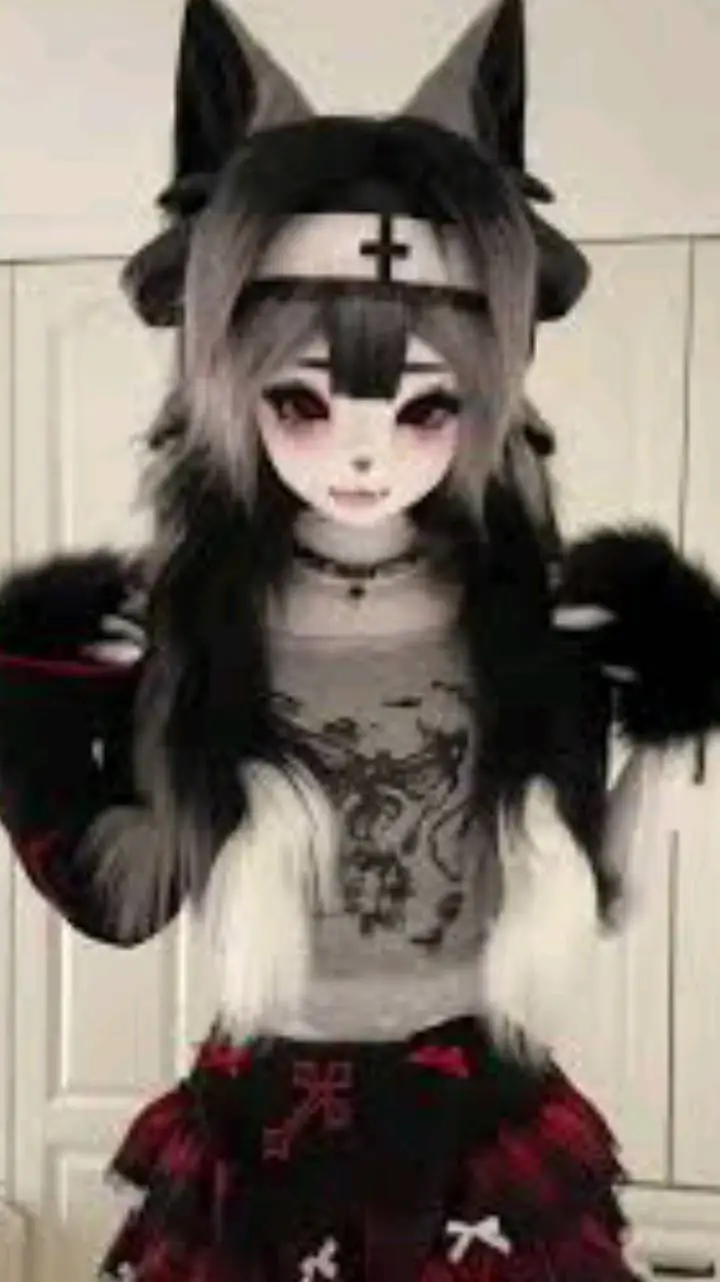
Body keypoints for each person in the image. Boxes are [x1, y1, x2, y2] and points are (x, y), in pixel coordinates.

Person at [1, 1, 719, 1278]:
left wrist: (673, 699)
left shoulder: (532, 622)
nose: (365, 451)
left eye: (427, 407)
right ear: (227, 386)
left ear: (487, 397)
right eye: (301, 400)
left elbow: (596, 887)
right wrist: (41, 695)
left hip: (479, 1114)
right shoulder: (192, 626)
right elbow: (121, 899)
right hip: (265, 1120)